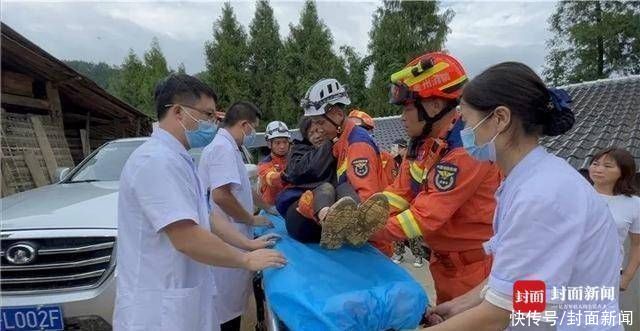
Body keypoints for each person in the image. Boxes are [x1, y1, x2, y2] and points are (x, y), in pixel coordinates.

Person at [425, 62, 622, 331]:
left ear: (500, 119)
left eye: (467, 121)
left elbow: (499, 314)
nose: (464, 132)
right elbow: (514, 281)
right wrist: (461, 305)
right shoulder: (529, 180)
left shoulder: (541, 195)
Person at [114, 74, 285, 331]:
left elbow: (208, 218)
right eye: (206, 115)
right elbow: (187, 236)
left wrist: (247, 244)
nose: (212, 123)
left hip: (182, 300)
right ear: (179, 112)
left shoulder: (179, 159)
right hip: (158, 311)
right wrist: (246, 259)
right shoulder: (156, 161)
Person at [370, 52, 501, 303]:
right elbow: (400, 193)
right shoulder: (423, 144)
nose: (402, 116)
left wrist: (368, 230)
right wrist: (365, 212)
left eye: (408, 107)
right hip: (445, 264)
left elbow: (423, 218)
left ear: (434, 106)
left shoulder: (466, 149)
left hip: (475, 269)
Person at [198, 101, 273, 331]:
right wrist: (250, 219)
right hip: (227, 239)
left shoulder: (230, 148)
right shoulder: (222, 149)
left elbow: (240, 189)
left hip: (233, 238)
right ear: (244, 125)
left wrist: (268, 207)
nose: (252, 134)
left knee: (231, 307)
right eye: (253, 128)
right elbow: (221, 196)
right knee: (225, 313)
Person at [300, 78, 390, 251]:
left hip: (370, 245)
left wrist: (315, 207)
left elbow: (366, 201)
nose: (318, 129)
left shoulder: (357, 145)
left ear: (337, 114)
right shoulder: (341, 143)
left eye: (320, 122)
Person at [588, 147, 639, 323]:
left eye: (608, 166)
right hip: (569, 273)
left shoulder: (634, 204)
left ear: (623, 172)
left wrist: (627, 276)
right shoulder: (576, 194)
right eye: (595, 163)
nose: (598, 169)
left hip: (607, 276)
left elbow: (637, 244)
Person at [349, 108, 396, 185]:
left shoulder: (386, 158)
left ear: (371, 132)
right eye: (352, 130)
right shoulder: (341, 156)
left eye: (362, 130)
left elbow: (392, 185)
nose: (357, 135)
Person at [257, 121, 291, 206]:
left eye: (285, 142)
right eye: (277, 143)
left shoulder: (294, 159)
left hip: (291, 206)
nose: (282, 146)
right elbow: (271, 179)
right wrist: (288, 173)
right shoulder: (264, 165)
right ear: (269, 144)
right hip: (272, 210)